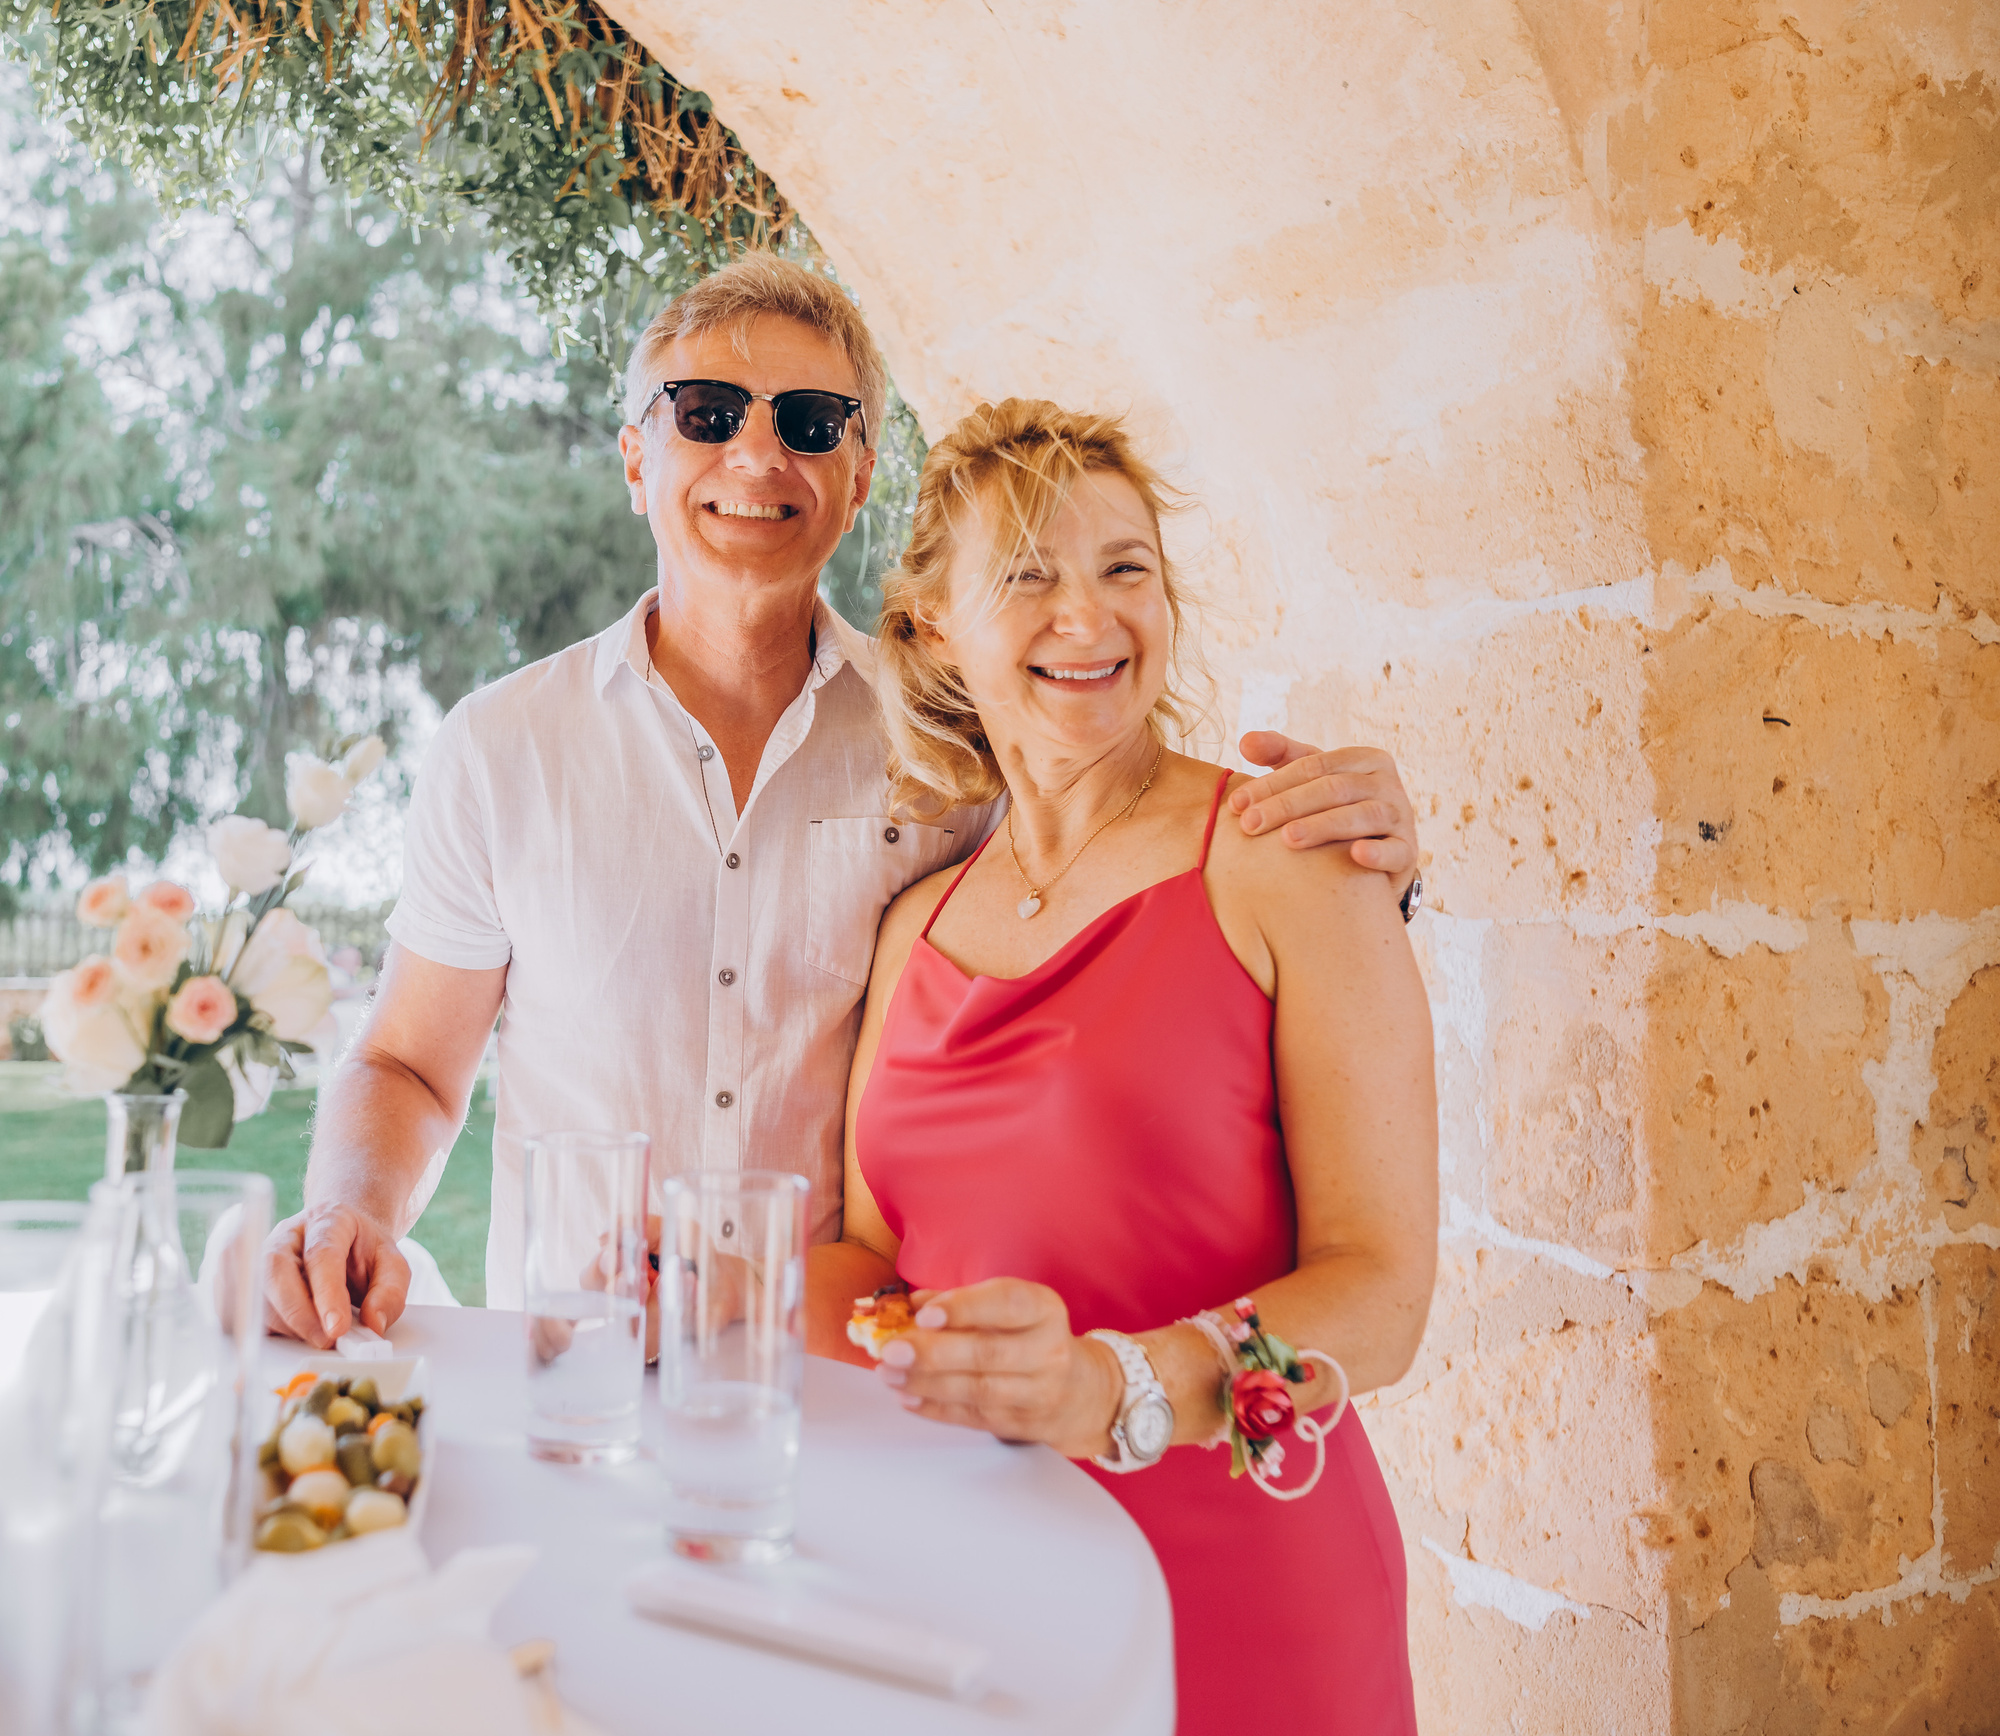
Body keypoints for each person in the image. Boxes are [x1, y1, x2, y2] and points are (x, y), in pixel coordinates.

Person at [263, 254, 1427, 1343]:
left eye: (811, 424)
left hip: (840, 1389)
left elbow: (1128, 874)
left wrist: (1371, 876)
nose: (758, 456)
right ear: (635, 458)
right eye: (706, 412)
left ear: (858, 476)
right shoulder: (501, 747)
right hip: (574, 1369)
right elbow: (409, 1064)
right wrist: (348, 1209)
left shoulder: (962, 741)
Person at [816, 400, 1436, 1734]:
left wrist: (1118, 1388)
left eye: (1124, 569)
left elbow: (1383, 1294)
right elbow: (874, 1261)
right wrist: (700, 1292)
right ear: (932, 631)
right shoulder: (914, 928)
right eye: (1028, 577)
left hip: (1250, 1586)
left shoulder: (1291, 855)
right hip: (974, 1589)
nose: (1086, 619)